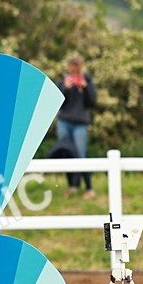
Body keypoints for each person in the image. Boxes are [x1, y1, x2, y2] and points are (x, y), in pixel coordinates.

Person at [56, 55, 97, 197]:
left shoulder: (88, 81)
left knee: (81, 154)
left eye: (77, 66)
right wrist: (66, 89)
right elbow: (58, 103)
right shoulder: (63, 82)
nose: (74, 68)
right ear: (69, 67)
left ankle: (89, 188)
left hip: (80, 124)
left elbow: (92, 102)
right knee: (67, 154)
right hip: (64, 122)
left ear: (81, 67)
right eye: (72, 65)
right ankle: (72, 186)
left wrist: (84, 88)